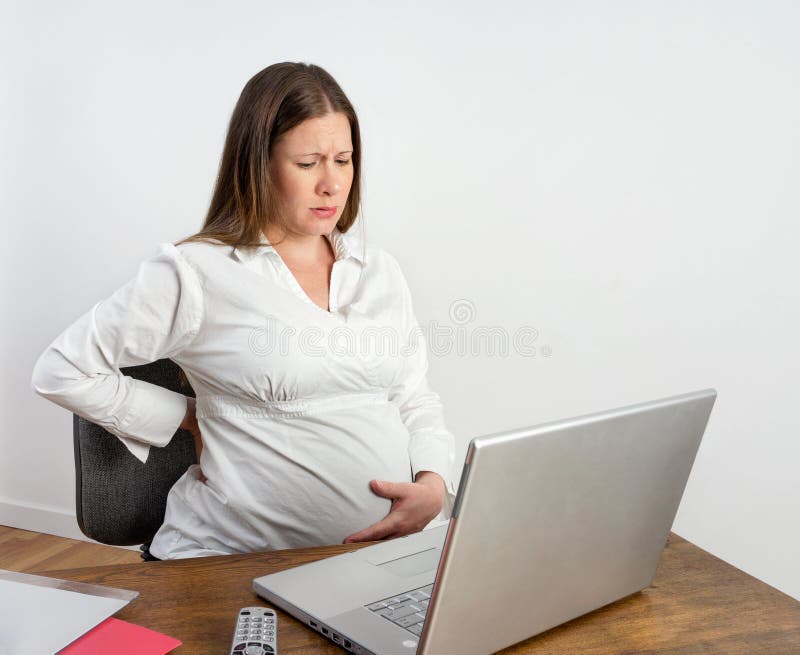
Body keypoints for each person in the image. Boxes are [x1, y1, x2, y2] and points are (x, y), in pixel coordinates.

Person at [30, 62, 457, 559]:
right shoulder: (196, 272)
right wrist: (184, 415)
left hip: (373, 561)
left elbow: (414, 396)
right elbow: (62, 369)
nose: (331, 184)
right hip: (233, 563)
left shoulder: (377, 270)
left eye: (344, 160)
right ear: (258, 163)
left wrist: (432, 484)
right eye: (307, 163)